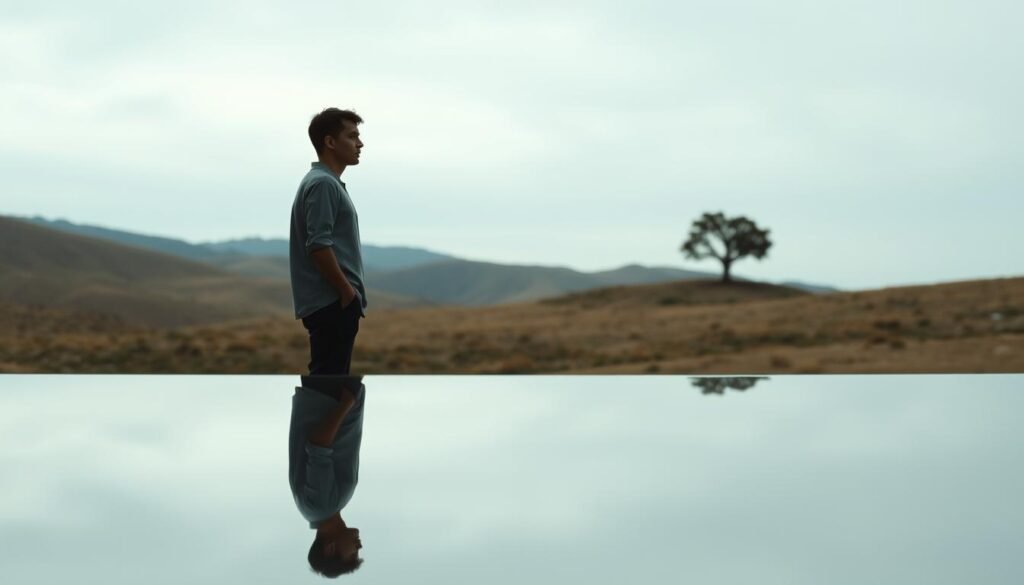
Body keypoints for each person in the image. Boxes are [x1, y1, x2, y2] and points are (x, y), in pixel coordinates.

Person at [289, 108, 368, 375]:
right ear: (330, 142)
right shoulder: (323, 184)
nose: (360, 144)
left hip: (334, 303)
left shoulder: (325, 182)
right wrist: (346, 292)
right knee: (328, 385)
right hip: (332, 303)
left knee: (331, 383)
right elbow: (319, 245)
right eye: (352, 136)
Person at [289, 375, 367, 577]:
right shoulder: (321, 508)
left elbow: (318, 445)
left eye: (353, 554)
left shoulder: (322, 506)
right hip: (332, 393)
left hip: (331, 393)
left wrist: (346, 403)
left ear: (330, 548)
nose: (359, 547)